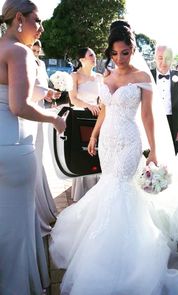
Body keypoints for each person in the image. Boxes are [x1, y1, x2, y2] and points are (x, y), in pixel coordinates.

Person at [48, 20, 178, 295]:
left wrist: (153, 151)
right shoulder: (107, 75)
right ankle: (102, 245)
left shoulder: (141, 77)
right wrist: (93, 136)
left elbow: (149, 116)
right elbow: (104, 109)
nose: (119, 58)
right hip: (107, 143)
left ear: (132, 49)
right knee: (108, 187)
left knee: (123, 191)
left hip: (129, 141)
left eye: (124, 52)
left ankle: (126, 259)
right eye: (114, 54)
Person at [0, 1, 66, 294]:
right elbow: (19, 105)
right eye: (37, 21)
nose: (41, 28)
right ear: (18, 19)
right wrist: (53, 118)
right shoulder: (19, 51)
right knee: (18, 229)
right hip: (14, 147)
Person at [31, 39, 61, 236]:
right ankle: (35, 207)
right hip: (28, 111)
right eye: (32, 48)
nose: (34, 51)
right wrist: (45, 93)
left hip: (40, 108)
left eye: (37, 49)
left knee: (39, 156)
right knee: (32, 157)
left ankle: (44, 203)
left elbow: (39, 87)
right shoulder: (22, 59)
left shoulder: (41, 64)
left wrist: (48, 96)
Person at [69, 47, 102, 201]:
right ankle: (81, 189)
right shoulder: (74, 76)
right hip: (80, 116)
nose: (94, 58)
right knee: (82, 150)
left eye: (94, 55)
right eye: (90, 55)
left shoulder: (100, 77)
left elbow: (102, 99)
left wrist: (101, 106)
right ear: (82, 59)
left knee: (95, 149)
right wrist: (88, 106)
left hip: (97, 117)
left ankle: (96, 188)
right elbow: (73, 99)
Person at [151, 45, 178, 153]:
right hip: (151, 121)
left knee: (170, 153)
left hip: (173, 122)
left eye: (167, 58)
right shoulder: (146, 76)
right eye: (160, 58)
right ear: (155, 58)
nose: (164, 62)